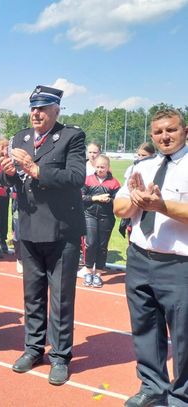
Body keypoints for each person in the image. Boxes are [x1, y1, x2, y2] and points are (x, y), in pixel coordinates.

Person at [0, 85, 86, 385]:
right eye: (33, 107)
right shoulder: (21, 137)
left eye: (43, 108)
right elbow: (10, 180)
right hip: (30, 228)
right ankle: (33, 348)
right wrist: (8, 170)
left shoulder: (72, 137)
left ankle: (60, 356)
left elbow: (76, 178)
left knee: (61, 297)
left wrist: (34, 169)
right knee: (32, 295)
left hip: (62, 231)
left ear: (56, 110)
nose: (36, 113)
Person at [114, 109, 188, 407]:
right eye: (158, 132)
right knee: (145, 326)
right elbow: (118, 208)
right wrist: (135, 201)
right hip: (140, 258)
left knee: (183, 336)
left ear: (185, 131)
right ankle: (152, 385)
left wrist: (161, 206)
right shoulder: (142, 166)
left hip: (179, 265)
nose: (164, 137)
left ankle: (182, 395)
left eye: (170, 130)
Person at [79, 155, 121, 288]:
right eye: (97, 167)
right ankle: (88, 269)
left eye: (103, 167)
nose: (100, 169)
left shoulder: (114, 183)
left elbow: (119, 201)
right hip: (89, 215)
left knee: (102, 246)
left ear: (108, 167)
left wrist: (109, 200)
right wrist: (96, 198)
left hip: (106, 218)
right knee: (90, 243)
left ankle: (97, 273)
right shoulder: (88, 180)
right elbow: (81, 197)